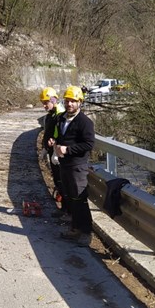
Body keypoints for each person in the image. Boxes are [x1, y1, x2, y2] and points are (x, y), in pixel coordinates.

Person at [48, 85, 95, 244]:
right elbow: (60, 136)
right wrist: (55, 142)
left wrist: (68, 149)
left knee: (80, 199)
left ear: (80, 102)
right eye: (68, 101)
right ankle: (75, 228)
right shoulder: (61, 118)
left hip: (77, 167)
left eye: (73, 101)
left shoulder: (84, 122)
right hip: (64, 165)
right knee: (69, 198)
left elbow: (89, 144)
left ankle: (86, 233)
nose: (70, 104)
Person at [39, 87, 67, 217]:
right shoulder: (52, 114)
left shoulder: (60, 113)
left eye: (46, 103)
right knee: (57, 179)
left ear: (53, 100)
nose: (44, 106)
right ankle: (63, 208)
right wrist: (45, 147)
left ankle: (66, 209)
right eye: (43, 103)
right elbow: (49, 132)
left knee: (62, 180)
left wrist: (55, 145)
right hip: (53, 150)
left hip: (58, 152)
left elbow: (61, 132)